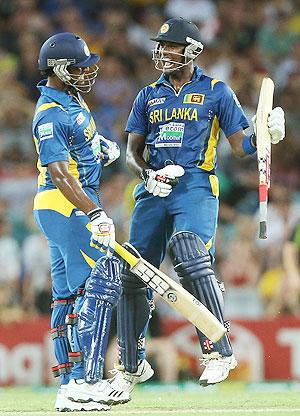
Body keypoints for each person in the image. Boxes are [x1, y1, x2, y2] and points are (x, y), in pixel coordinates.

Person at [109, 17, 285, 394]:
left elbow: (242, 148)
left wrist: (267, 135)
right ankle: (130, 366)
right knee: (134, 271)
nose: (164, 52)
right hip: (154, 190)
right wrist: (147, 175)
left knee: (188, 252)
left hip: (196, 186)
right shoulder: (148, 95)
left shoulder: (217, 91)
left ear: (192, 50)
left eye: (171, 46)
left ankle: (219, 351)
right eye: (161, 45)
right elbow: (131, 153)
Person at [32, 32, 129, 412]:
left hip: (62, 208)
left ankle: (71, 385)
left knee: (67, 297)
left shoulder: (71, 99)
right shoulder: (50, 112)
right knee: (99, 288)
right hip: (67, 205)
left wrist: (100, 146)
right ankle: (89, 380)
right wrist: (94, 212)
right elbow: (59, 172)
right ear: (59, 69)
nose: (88, 73)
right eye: (79, 67)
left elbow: (77, 147)